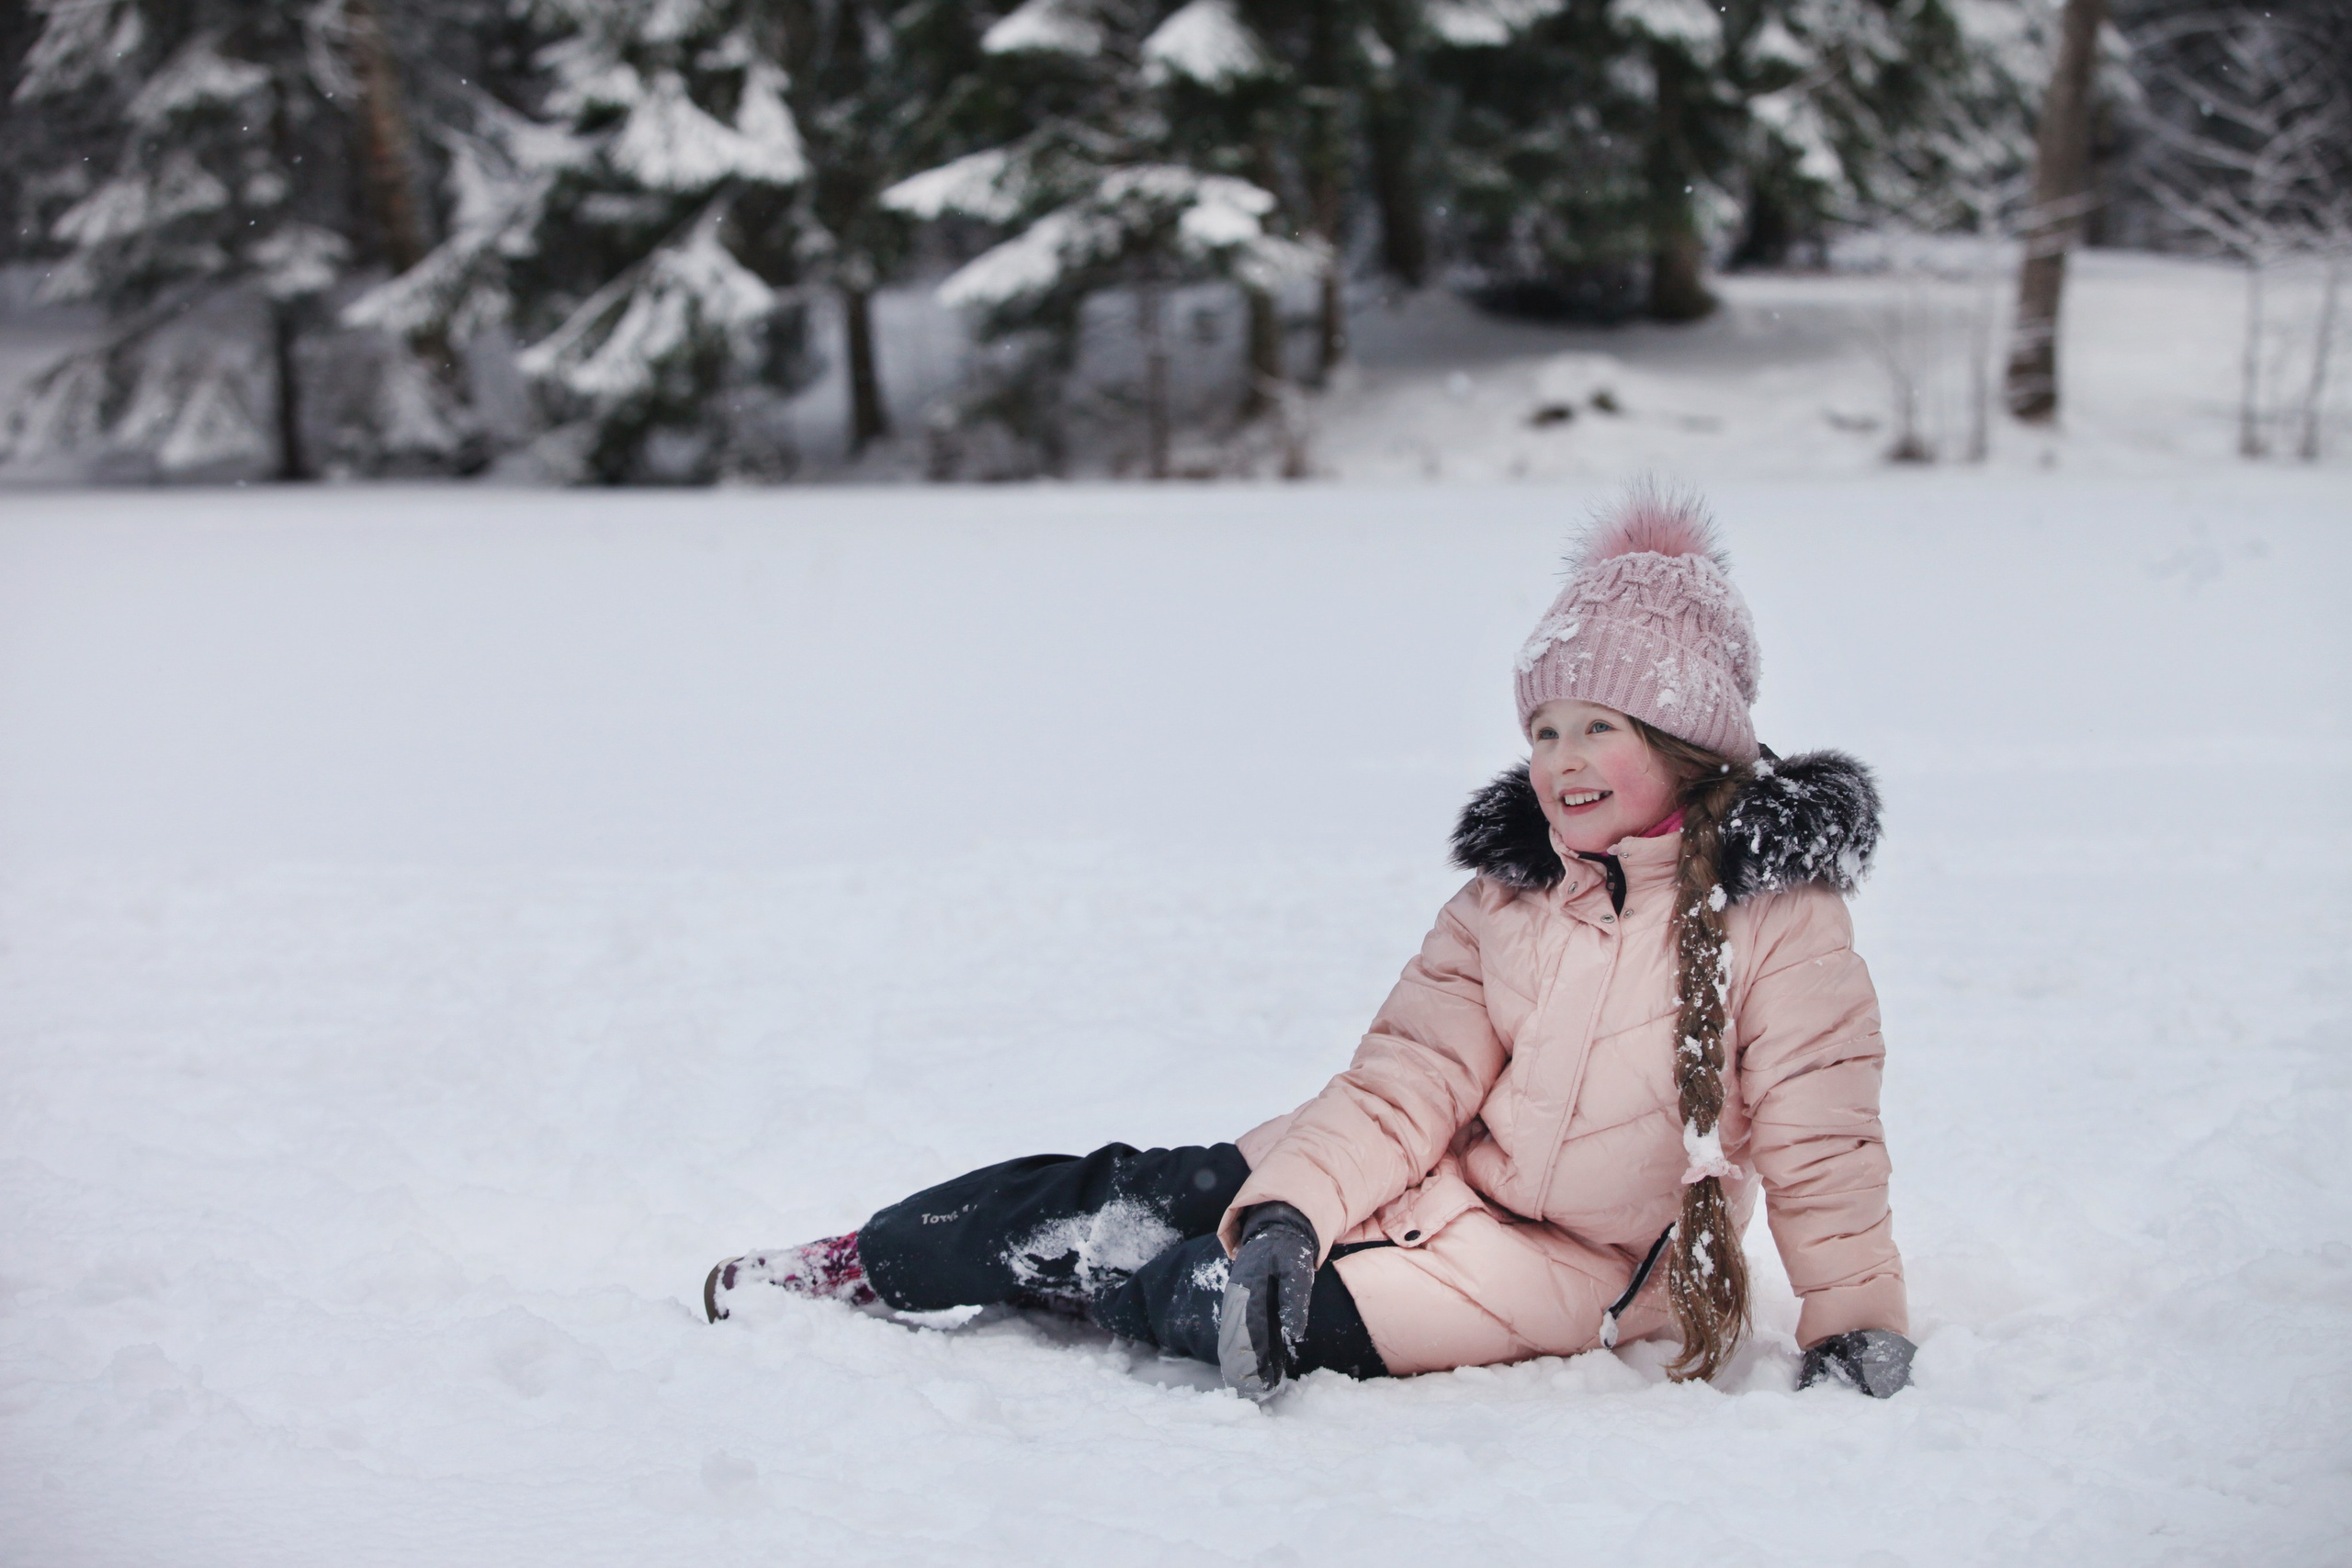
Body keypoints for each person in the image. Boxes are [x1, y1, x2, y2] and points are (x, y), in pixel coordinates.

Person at [705, 487, 1914, 1403]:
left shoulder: (1780, 918)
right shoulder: (1511, 894)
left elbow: (1822, 1140)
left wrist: (1851, 1320)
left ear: (1687, 738)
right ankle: (870, 1263)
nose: (1561, 758)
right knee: (1157, 1185)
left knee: (1215, 1296)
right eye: (1544, 727)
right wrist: (1286, 1207)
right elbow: (1408, 1081)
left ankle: (1088, 1277)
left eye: (1599, 724)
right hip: (1431, 1172)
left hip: (1577, 1267)